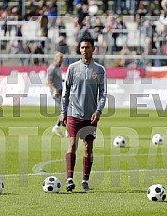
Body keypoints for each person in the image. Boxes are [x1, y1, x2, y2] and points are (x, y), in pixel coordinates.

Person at [60, 36, 107, 192]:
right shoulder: (73, 68)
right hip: (74, 113)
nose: (84, 50)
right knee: (72, 144)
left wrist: (98, 110)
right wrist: (63, 112)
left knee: (88, 148)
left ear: (93, 49)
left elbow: (103, 93)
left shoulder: (99, 70)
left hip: (90, 116)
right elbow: (65, 92)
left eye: (87, 47)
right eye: (82, 47)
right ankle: (69, 179)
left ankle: (85, 180)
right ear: (79, 49)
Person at [46, 51, 65, 137]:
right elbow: (47, 81)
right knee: (64, 110)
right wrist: (54, 89)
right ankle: (57, 127)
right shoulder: (52, 68)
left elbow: (56, 79)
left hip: (60, 91)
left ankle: (59, 126)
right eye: (60, 60)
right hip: (56, 92)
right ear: (56, 59)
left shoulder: (58, 68)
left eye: (62, 60)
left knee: (65, 109)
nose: (61, 61)